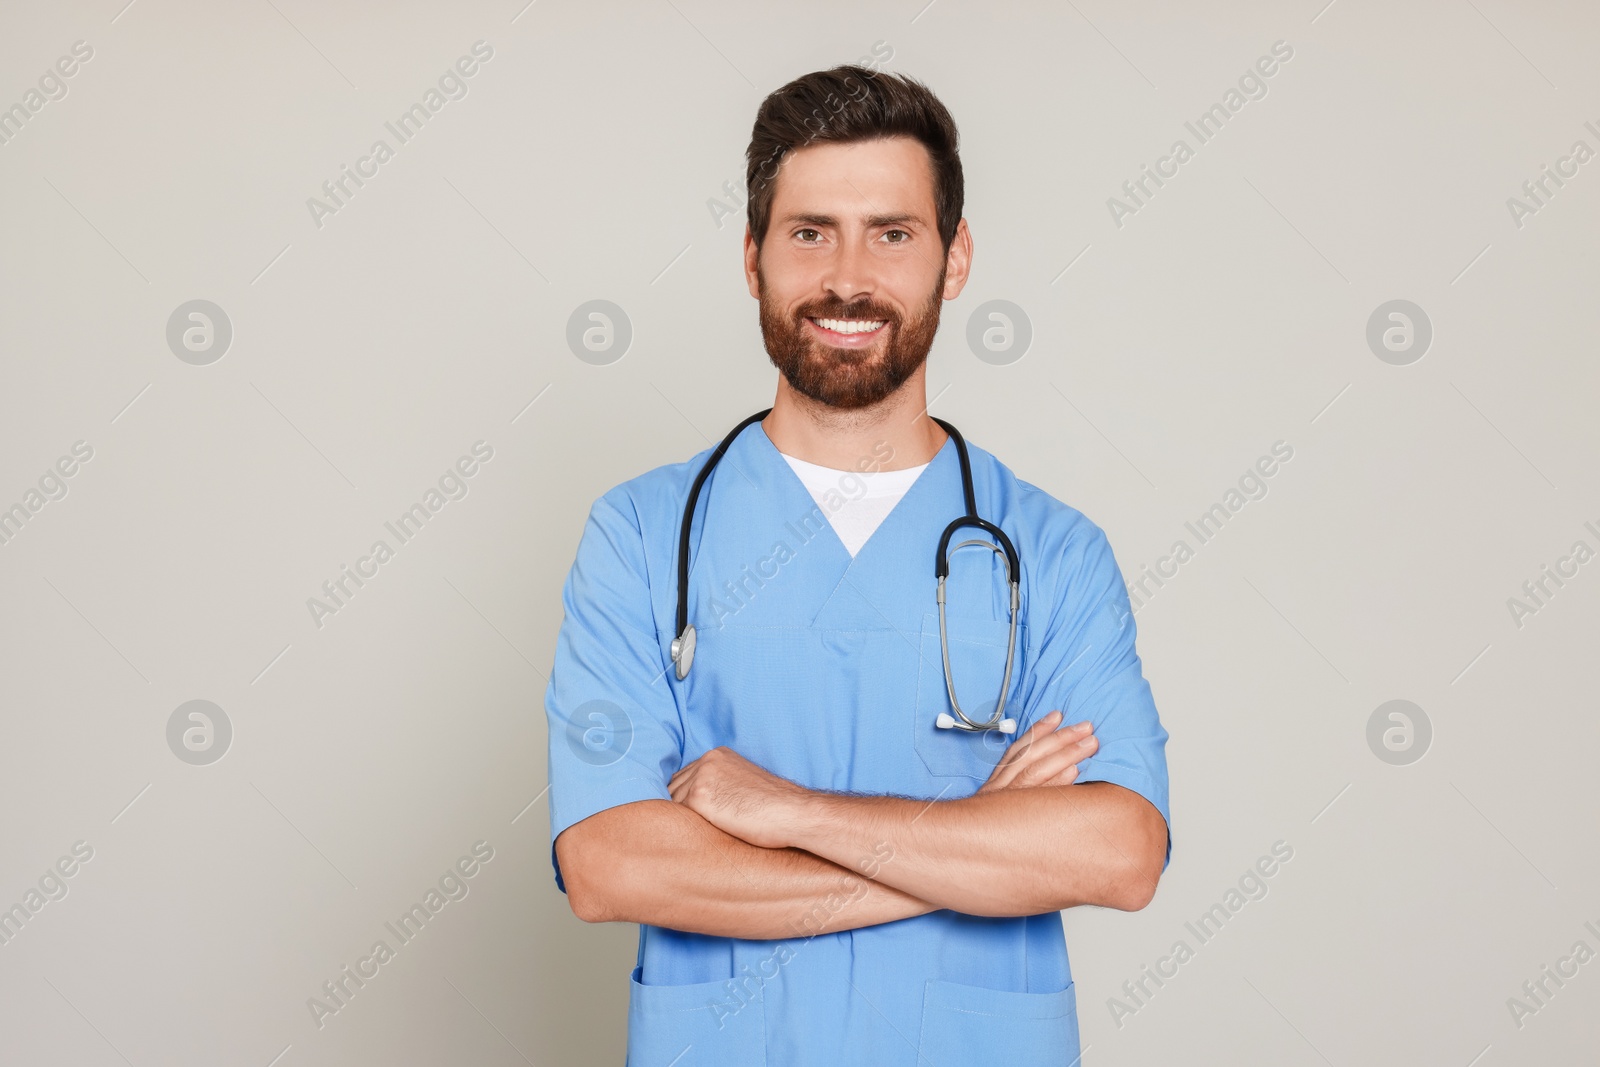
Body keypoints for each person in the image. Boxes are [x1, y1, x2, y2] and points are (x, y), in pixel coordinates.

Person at [545, 64, 1171, 1066]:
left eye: (891, 231)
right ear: (752, 258)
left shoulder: (1051, 551)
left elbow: (1118, 852)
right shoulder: (641, 535)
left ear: (953, 257)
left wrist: (788, 812)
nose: (847, 277)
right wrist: (971, 842)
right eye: (808, 232)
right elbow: (609, 864)